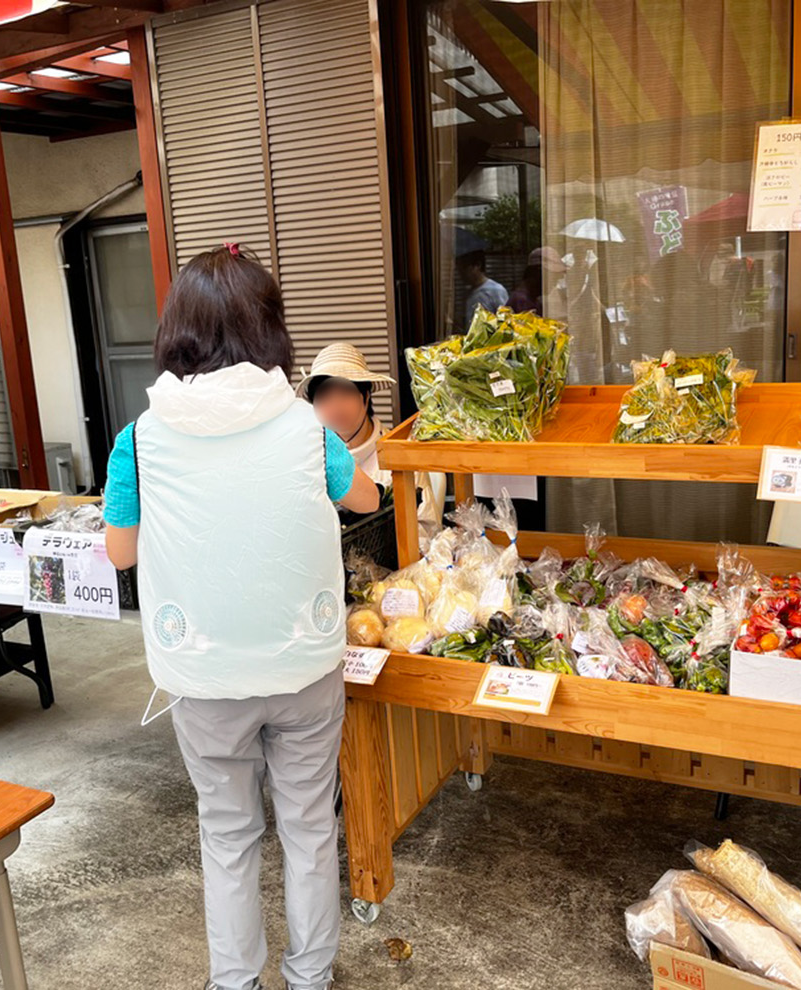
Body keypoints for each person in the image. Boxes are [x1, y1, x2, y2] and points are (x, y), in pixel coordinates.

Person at [103, 244, 379, 990]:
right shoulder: (307, 430)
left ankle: (235, 981)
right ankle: (311, 976)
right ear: (270, 333)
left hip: (201, 671)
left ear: (175, 332)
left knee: (227, 835)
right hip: (304, 666)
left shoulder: (138, 440)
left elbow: (120, 555)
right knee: (310, 827)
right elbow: (366, 501)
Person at [297, 342, 446, 526]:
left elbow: (425, 527)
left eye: (345, 393)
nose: (336, 407)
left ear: (366, 396)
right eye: (325, 397)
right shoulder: (311, 457)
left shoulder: (398, 454)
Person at [455, 248, 507, 325]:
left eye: (464, 269)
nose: (461, 274)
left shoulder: (496, 290)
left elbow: (506, 320)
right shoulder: (467, 293)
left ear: (477, 265)